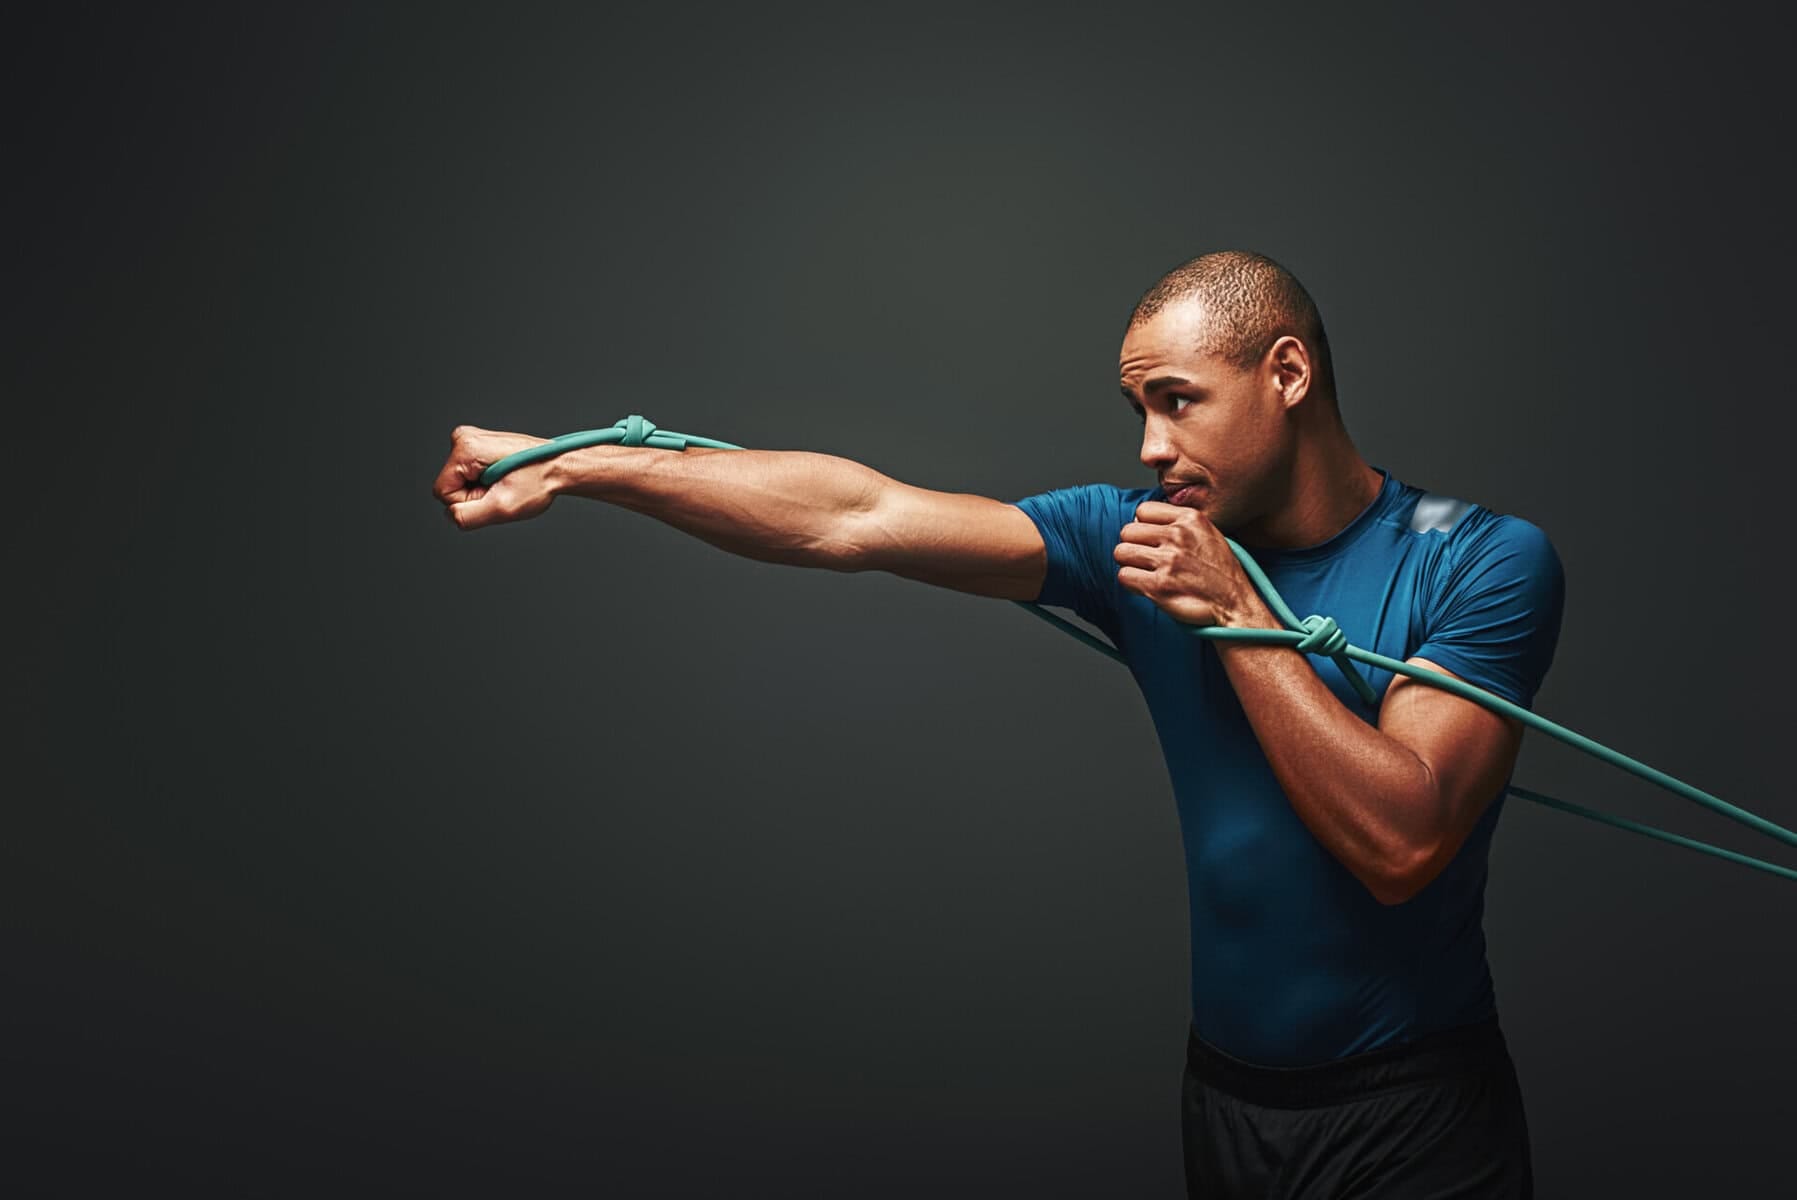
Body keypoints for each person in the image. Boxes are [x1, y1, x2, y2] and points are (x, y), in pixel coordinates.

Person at [432, 250, 1562, 1198]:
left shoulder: (1475, 558)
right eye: (1139, 411)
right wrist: (580, 465)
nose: (1150, 450)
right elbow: (856, 516)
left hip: (1414, 1109)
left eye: (1177, 400)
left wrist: (1235, 613)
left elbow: (1403, 843)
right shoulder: (1137, 540)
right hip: (1226, 1103)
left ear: (1287, 373)